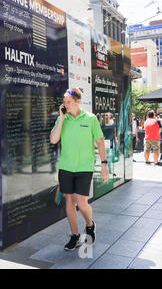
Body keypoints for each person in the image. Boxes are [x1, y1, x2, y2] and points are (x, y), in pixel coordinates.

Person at [50, 88, 109, 251]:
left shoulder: (90, 119)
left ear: (77, 102)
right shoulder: (63, 118)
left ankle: (90, 225)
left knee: (82, 203)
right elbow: (54, 139)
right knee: (69, 201)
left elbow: (100, 142)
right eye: (64, 101)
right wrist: (61, 119)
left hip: (84, 167)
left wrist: (104, 165)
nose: (65, 104)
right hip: (66, 167)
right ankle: (75, 236)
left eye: (68, 101)